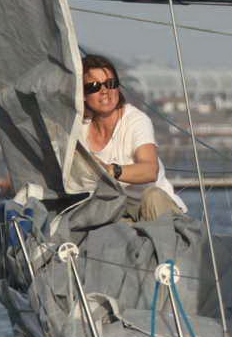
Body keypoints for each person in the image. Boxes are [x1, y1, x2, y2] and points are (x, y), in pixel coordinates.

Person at [78, 53, 185, 221]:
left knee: (153, 196)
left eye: (110, 84)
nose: (104, 91)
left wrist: (111, 170)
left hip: (153, 210)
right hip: (114, 213)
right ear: (83, 94)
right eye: (94, 87)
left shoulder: (136, 120)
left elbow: (150, 170)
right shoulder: (79, 130)